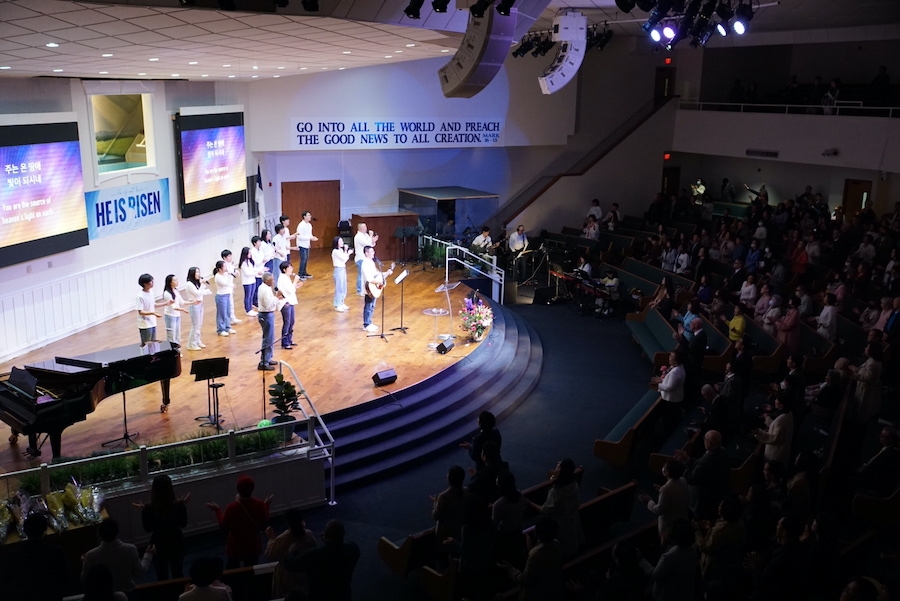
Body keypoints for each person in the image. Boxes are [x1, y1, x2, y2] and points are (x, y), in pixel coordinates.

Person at [283, 519, 361, 601]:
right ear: (343, 534)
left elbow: (291, 565)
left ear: (326, 535)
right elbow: (339, 546)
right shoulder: (353, 549)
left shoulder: (314, 555)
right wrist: (329, 541)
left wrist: (291, 552)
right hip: (343, 595)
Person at [206, 475, 272, 569]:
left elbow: (224, 525)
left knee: (232, 569)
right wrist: (266, 505)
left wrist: (217, 510)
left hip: (236, 545)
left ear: (238, 489)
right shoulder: (260, 504)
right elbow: (264, 520)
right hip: (253, 544)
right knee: (251, 569)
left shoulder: (232, 507)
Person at [0, 513, 68, 600]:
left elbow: (7, 583)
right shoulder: (56, 552)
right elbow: (65, 578)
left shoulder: (13, 555)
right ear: (45, 529)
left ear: (25, 530)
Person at [81, 518, 154, 595]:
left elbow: (84, 579)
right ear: (118, 531)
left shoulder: (91, 555)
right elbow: (140, 573)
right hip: (127, 592)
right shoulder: (130, 549)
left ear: (99, 534)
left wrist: (85, 562)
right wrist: (148, 554)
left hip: (104, 595)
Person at [138, 474, 189, 580]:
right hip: (176, 541)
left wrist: (145, 512)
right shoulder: (178, 505)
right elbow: (183, 524)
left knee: (161, 575)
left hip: (158, 543)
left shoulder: (149, 508)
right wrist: (182, 506)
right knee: (178, 573)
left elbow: (147, 528)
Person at [502, 516, 564, 601]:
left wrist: (510, 569)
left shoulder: (535, 556)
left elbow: (524, 580)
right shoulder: (557, 545)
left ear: (536, 533)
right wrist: (532, 550)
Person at [675, 430, 731, 520]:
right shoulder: (723, 452)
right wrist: (688, 460)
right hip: (716, 494)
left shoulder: (705, 462)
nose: (703, 440)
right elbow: (701, 468)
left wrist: (684, 464)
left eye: (705, 439)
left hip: (701, 500)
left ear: (709, 444)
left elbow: (691, 478)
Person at [638, 519, 697, 601]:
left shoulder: (668, 557)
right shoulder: (692, 550)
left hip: (669, 595)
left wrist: (641, 560)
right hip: (686, 592)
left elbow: (655, 575)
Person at [537, 458, 583, 561]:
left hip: (559, 526)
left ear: (561, 471)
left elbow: (546, 511)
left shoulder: (555, 492)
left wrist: (530, 503)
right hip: (572, 521)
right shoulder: (574, 485)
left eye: (559, 465)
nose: (557, 465)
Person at [265, 508, 317, 599]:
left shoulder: (281, 539)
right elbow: (314, 549)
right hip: (304, 573)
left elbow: (269, 556)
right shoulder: (308, 534)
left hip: (287, 576)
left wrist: (271, 539)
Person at [639, 458, 690, 538]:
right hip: (682, 519)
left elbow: (659, 510)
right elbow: (676, 493)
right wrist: (661, 490)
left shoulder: (666, 489)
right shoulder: (683, 480)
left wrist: (649, 501)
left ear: (666, 472)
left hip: (669, 526)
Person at [431, 465, 467, 556]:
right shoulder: (467, 492)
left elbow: (436, 516)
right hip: (461, 532)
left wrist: (435, 503)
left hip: (445, 535)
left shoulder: (443, 497)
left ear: (449, 479)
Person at [754, 393, 794, 465]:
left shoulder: (781, 420)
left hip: (775, 455)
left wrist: (758, 432)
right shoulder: (789, 414)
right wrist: (767, 418)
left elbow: (774, 438)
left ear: (782, 404)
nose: (775, 401)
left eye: (777, 399)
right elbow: (776, 427)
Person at [651, 351, 686, 436]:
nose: (669, 358)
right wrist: (662, 380)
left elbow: (669, 387)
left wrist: (658, 384)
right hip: (675, 399)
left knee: (668, 419)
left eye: (671, 356)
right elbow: (670, 382)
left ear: (676, 360)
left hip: (671, 400)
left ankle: (666, 434)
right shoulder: (679, 368)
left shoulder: (675, 372)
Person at [849, 341, 883, 424]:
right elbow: (863, 371)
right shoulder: (871, 360)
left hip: (866, 390)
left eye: (867, 347)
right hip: (863, 387)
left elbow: (867, 378)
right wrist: (855, 369)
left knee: (862, 411)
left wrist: (852, 374)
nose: (865, 348)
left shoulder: (873, 364)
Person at [361, 245, 393, 333]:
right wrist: (379, 282)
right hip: (369, 287)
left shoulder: (371, 262)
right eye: (371, 251)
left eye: (373, 251)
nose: (373, 253)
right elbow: (369, 278)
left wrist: (386, 273)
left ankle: (369, 322)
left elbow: (377, 274)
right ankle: (366, 324)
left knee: (372, 306)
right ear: (366, 253)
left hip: (374, 287)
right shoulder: (365, 263)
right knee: (368, 306)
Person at [276, 261, 302, 350]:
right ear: (284, 270)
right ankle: (285, 342)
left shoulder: (286, 278)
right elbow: (290, 290)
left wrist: (295, 285)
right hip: (285, 303)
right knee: (287, 322)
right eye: (289, 268)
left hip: (290, 302)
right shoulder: (282, 278)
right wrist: (295, 281)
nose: (291, 269)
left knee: (291, 321)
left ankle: (289, 339)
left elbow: (290, 289)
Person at [136, 273, 166, 345]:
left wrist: (166, 303)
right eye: (151, 281)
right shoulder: (140, 296)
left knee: (153, 343)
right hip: (145, 324)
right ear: (145, 284)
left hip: (152, 322)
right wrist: (153, 313)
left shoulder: (151, 292)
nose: (153, 283)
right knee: (146, 344)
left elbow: (153, 304)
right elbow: (141, 311)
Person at [183, 267, 208, 351]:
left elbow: (200, 293)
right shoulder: (189, 284)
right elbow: (197, 294)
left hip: (200, 304)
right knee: (195, 325)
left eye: (199, 272)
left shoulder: (196, 283)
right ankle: (191, 344)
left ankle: (197, 341)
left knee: (199, 325)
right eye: (197, 272)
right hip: (194, 306)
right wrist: (202, 285)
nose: (198, 274)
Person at [256, 272, 278, 370]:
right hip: (266, 315)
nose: (273, 281)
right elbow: (268, 305)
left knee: (270, 338)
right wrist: (277, 298)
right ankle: (264, 363)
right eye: (271, 280)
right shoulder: (264, 290)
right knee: (267, 339)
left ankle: (268, 358)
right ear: (266, 281)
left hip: (267, 314)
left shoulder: (266, 287)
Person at [162, 274, 190, 347]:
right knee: (171, 334)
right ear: (170, 282)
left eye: (177, 280)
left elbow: (182, 302)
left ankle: (177, 350)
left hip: (177, 315)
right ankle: (171, 350)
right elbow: (173, 307)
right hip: (170, 316)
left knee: (177, 333)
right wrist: (182, 309)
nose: (177, 282)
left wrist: (193, 302)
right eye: (175, 280)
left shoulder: (176, 291)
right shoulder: (167, 293)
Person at [353, 222, 378, 296]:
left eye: (366, 227)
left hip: (365, 259)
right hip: (360, 258)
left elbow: (370, 245)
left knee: (365, 275)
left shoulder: (365, 235)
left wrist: (373, 240)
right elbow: (367, 243)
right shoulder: (358, 236)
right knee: (361, 275)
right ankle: (359, 290)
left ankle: (365, 289)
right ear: (360, 228)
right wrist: (371, 236)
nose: (366, 228)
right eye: (364, 227)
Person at [213, 260, 237, 337]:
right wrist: (229, 276)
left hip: (227, 295)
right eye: (224, 266)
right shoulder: (218, 276)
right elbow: (226, 283)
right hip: (221, 296)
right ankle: (221, 329)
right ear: (220, 269)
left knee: (228, 312)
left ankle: (227, 327)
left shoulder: (225, 274)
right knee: (222, 313)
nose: (226, 268)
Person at [331, 235, 353, 312]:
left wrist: (345, 252)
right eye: (340, 241)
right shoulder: (335, 251)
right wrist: (347, 252)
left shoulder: (340, 250)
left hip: (343, 269)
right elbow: (343, 258)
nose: (342, 242)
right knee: (339, 288)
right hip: (338, 270)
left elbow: (344, 260)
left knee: (344, 286)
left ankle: (342, 302)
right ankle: (337, 305)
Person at [239, 246, 262, 317]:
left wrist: (260, 270)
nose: (250, 254)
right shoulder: (243, 263)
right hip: (247, 282)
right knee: (248, 296)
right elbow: (247, 273)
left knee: (251, 295)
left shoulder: (250, 261)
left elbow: (253, 270)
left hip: (252, 280)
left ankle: (250, 309)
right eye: (249, 253)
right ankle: (248, 310)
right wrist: (257, 273)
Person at [220, 249, 241, 325]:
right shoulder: (223, 266)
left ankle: (232, 318)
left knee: (231, 303)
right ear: (224, 258)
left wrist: (236, 271)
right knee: (228, 304)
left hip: (230, 286)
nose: (231, 257)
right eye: (229, 256)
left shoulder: (230, 265)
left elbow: (233, 271)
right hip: (226, 287)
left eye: (231, 256)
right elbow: (228, 273)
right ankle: (229, 319)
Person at [296, 211, 319, 279]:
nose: (310, 216)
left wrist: (312, 238)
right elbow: (299, 236)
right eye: (308, 215)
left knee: (306, 259)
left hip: (306, 244)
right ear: (304, 217)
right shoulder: (301, 225)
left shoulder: (309, 225)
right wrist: (310, 238)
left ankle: (304, 272)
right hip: (301, 245)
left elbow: (309, 235)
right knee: (303, 259)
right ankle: (300, 274)